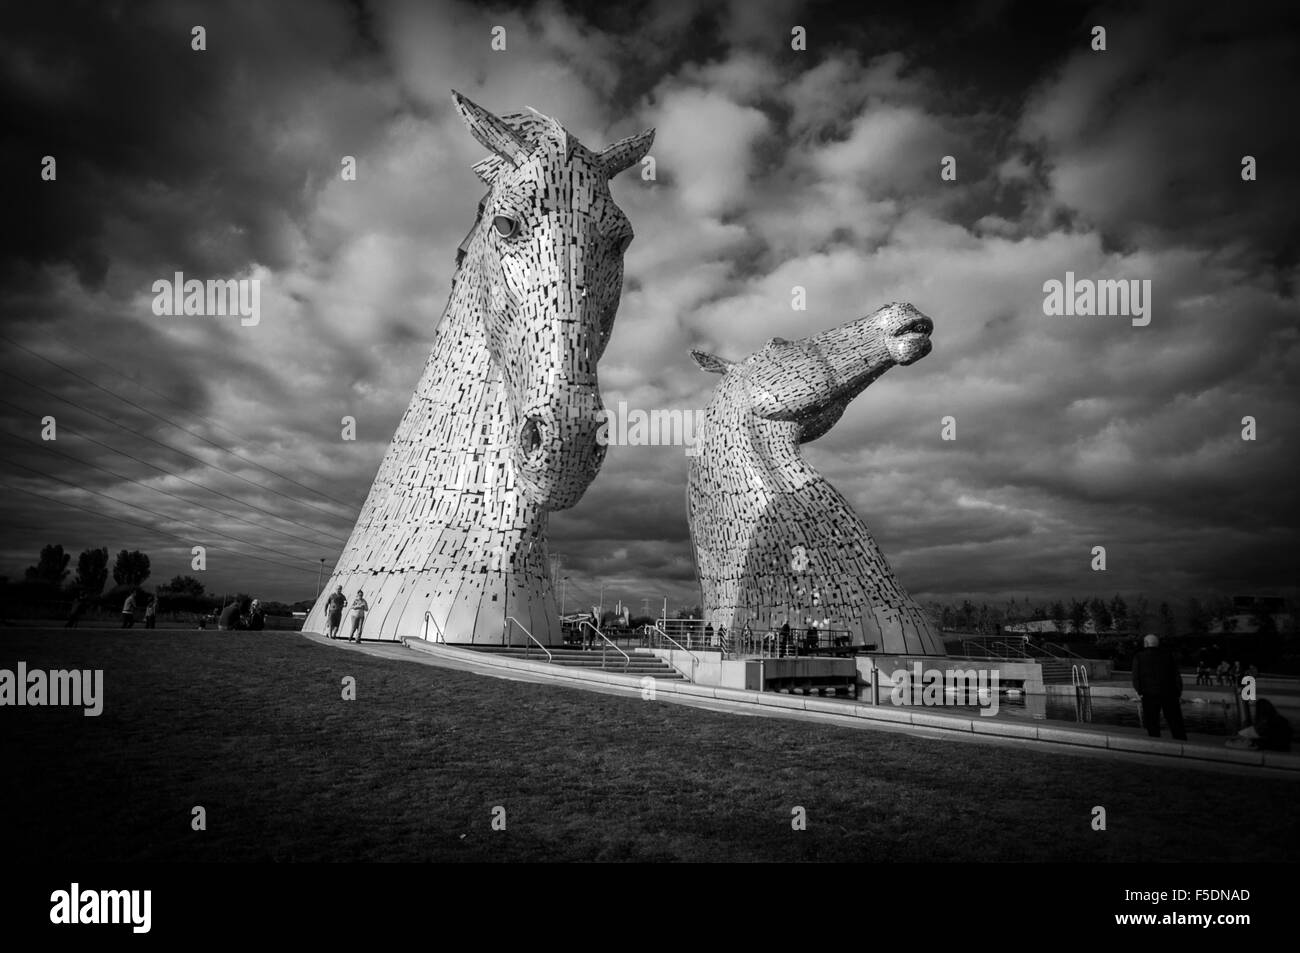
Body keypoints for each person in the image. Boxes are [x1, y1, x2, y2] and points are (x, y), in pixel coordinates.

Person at [1131, 634, 1187, 740]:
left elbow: (1136, 677)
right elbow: (1176, 675)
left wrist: (1139, 691)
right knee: (1175, 721)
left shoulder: (1139, 657)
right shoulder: (1168, 655)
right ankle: (1181, 742)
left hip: (1149, 694)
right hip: (1169, 693)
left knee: (1152, 722)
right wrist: (1178, 692)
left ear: (1146, 644)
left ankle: (1155, 742)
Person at [1227, 698, 1293, 751]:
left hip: (1273, 746)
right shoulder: (1281, 719)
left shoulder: (1264, 722)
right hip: (1285, 746)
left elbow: (1251, 733)